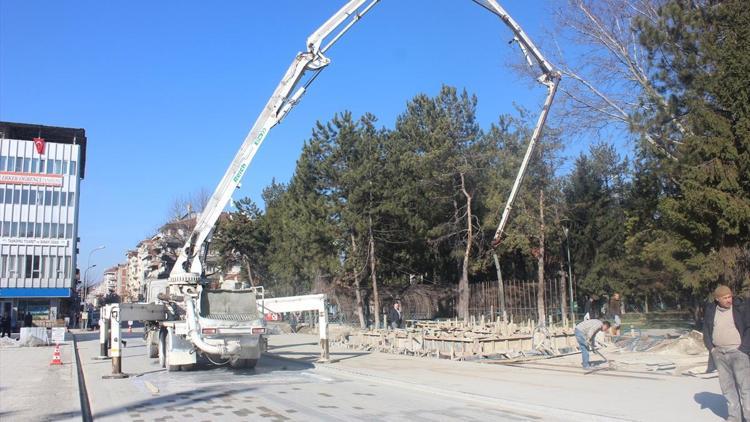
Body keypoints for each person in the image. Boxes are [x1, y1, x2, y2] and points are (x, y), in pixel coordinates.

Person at [702, 285, 750, 422]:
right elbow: (706, 330)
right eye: (725, 298)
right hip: (719, 354)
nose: (729, 300)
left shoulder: (740, 307)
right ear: (717, 299)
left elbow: (748, 328)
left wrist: (743, 349)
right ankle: (734, 417)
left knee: (745, 388)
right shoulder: (711, 310)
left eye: (730, 296)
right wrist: (712, 349)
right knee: (728, 388)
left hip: (738, 353)